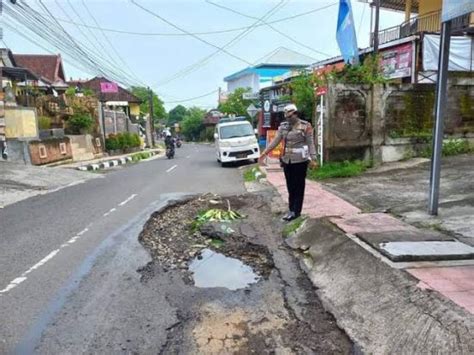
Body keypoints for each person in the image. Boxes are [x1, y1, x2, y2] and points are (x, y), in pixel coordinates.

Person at [259, 104, 317, 222]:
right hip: (287, 160)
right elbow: (275, 141)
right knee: (290, 186)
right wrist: (264, 153)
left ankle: (296, 211)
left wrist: (313, 158)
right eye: (286, 116)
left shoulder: (306, 126)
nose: (288, 118)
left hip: (300, 161)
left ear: (295, 114)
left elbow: (310, 143)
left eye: (290, 116)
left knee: (299, 186)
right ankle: (291, 210)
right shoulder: (283, 127)